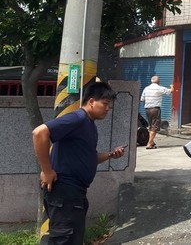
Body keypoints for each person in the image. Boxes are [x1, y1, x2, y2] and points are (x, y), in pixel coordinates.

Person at [32, 81, 126, 245]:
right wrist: (46, 170)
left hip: (75, 193)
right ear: (91, 101)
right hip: (65, 191)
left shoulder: (89, 125)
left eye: (109, 106)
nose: (107, 109)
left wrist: (110, 155)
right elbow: (39, 133)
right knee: (64, 239)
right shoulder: (78, 118)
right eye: (104, 104)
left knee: (70, 239)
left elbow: (89, 157)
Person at [140, 76, 173, 149]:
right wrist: (172, 86)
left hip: (147, 109)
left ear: (151, 81)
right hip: (155, 109)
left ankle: (151, 142)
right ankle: (149, 144)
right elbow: (171, 91)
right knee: (155, 126)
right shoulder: (159, 88)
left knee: (151, 126)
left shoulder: (146, 88)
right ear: (158, 82)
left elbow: (142, 99)